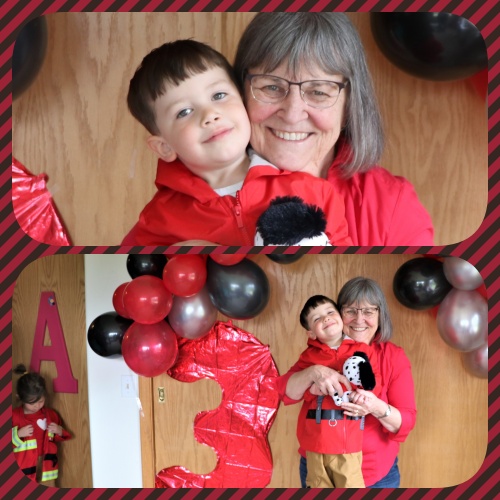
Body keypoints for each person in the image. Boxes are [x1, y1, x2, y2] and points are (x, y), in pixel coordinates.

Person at [121, 39, 352, 246]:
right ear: (164, 147)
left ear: (243, 100)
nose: (210, 115)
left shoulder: (314, 192)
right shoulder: (158, 221)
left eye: (219, 96)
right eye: (184, 112)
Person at [233, 13, 434, 246]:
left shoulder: (393, 208)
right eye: (271, 87)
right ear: (240, 91)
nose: (292, 114)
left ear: (349, 105)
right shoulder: (199, 193)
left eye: (318, 92)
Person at [277, 277, 417, 487]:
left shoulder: (393, 356)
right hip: (318, 463)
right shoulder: (316, 353)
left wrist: (374, 406)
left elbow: (405, 422)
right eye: (351, 310)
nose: (359, 319)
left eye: (368, 311)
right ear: (340, 314)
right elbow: (284, 391)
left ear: (380, 316)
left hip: (373, 473)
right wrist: (313, 372)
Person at [290, 294, 381, 488]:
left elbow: (374, 385)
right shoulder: (307, 358)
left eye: (330, 312)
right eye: (317, 318)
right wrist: (312, 390)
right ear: (311, 333)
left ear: (340, 317)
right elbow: (297, 391)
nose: (326, 318)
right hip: (315, 444)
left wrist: (361, 396)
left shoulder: (363, 351)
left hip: (347, 445)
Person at [12, 364, 71, 486]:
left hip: (46, 468)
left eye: (40, 401)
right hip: (25, 469)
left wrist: (59, 431)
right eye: (32, 403)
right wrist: (18, 434)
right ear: (20, 398)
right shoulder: (14, 416)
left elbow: (58, 436)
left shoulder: (50, 415)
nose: (37, 406)